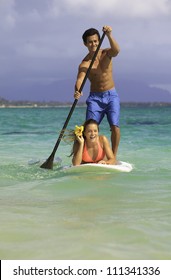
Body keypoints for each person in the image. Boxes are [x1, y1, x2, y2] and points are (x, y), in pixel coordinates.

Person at [74, 25, 120, 159]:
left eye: (95, 41)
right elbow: (80, 79)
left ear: (99, 41)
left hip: (111, 95)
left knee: (115, 127)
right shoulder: (84, 63)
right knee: (88, 130)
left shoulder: (106, 53)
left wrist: (110, 35)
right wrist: (78, 90)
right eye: (90, 42)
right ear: (85, 44)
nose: (93, 44)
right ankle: (86, 157)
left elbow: (116, 51)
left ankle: (113, 158)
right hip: (95, 98)